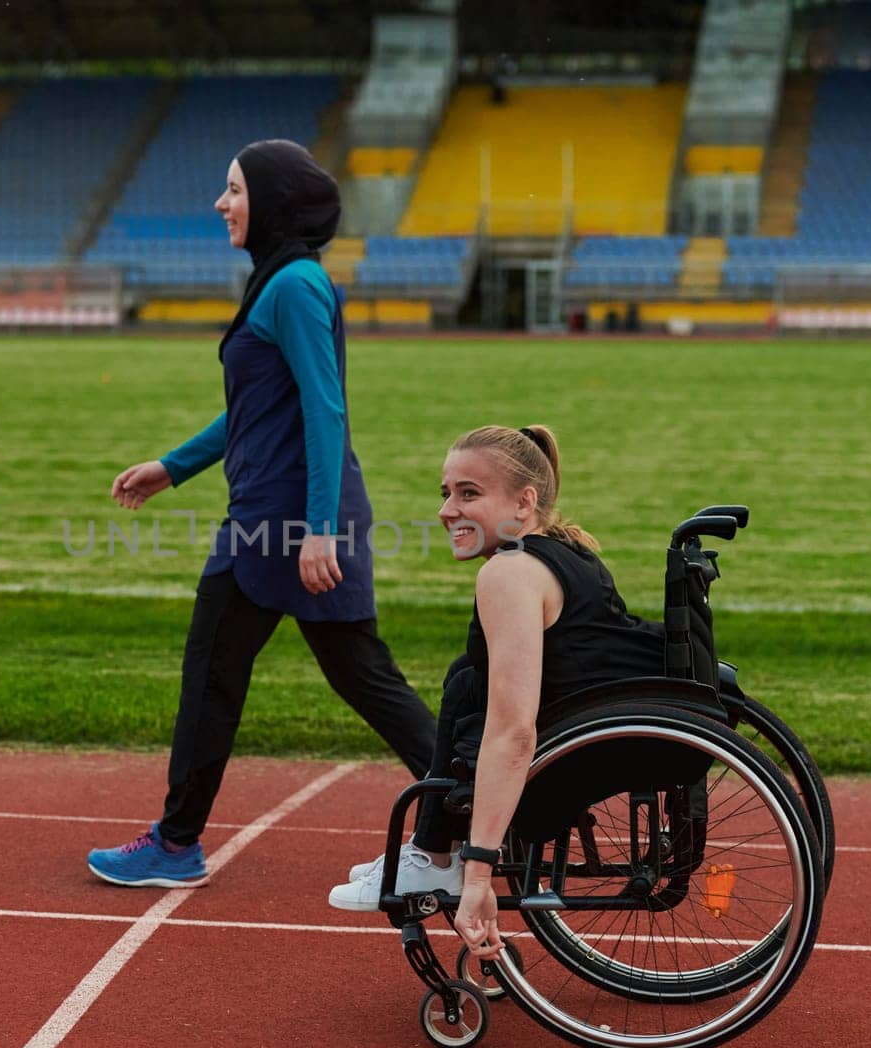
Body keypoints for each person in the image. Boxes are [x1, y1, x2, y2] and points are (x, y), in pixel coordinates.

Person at [87, 139, 437, 889]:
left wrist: (318, 528)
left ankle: (177, 842)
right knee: (361, 675)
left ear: (273, 201)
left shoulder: (295, 286)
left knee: (217, 667)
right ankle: (471, 799)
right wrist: (171, 468)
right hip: (285, 513)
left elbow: (324, 407)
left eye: (235, 189)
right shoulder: (282, 282)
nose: (222, 203)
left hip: (279, 523)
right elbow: (254, 411)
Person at [327, 425, 664, 966]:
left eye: (469, 494)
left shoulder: (511, 573)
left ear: (524, 502)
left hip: (575, 746)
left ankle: (438, 859)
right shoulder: (568, 550)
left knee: (471, 686)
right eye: (446, 494)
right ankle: (432, 850)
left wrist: (479, 871)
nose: (447, 511)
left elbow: (514, 730)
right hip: (604, 720)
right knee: (467, 678)